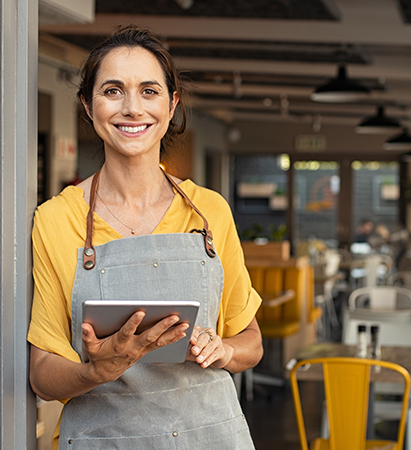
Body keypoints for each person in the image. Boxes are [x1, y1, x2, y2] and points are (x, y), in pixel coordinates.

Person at [27, 26, 262, 450]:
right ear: (88, 104)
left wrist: (222, 351)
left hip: (211, 438)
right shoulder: (56, 220)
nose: (132, 108)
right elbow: (43, 372)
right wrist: (96, 370)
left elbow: (251, 342)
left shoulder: (210, 212)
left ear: (171, 105)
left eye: (149, 91)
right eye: (113, 91)